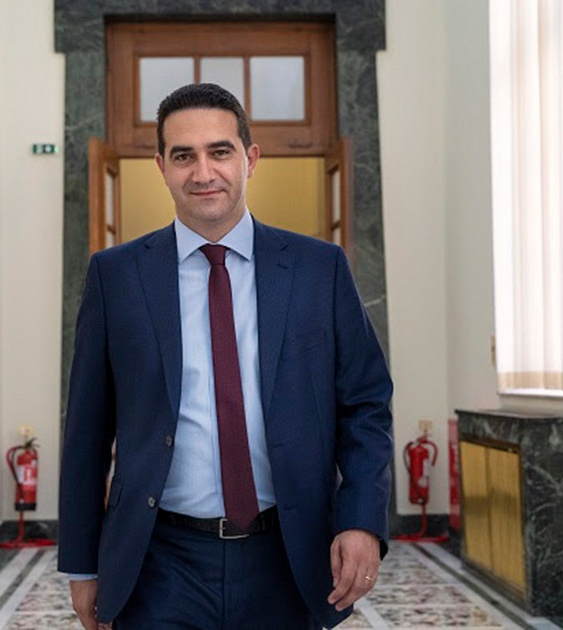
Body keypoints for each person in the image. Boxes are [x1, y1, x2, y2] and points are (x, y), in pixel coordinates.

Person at [59, 83, 393, 629]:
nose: (203, 172)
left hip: (288, 556)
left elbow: (366, 405)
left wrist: (361, 520)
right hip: (158, 564)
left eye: (220, 151)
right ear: (161, 167)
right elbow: (86, 430)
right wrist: (81, 564)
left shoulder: (319, 269)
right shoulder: (116, 276)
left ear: (250, 159)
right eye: (183, 156)